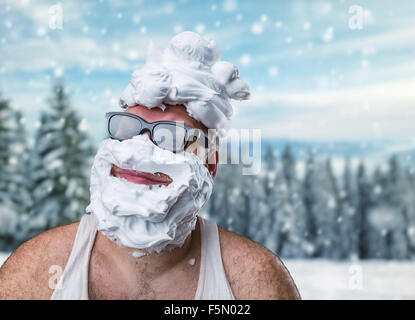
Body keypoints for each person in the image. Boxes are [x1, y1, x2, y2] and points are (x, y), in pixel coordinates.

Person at [0, 31, 300, 300]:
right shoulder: (35, 272)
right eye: (128, 128)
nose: (140, 148)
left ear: (209, 163)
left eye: (171, 137)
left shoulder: (253, 281)